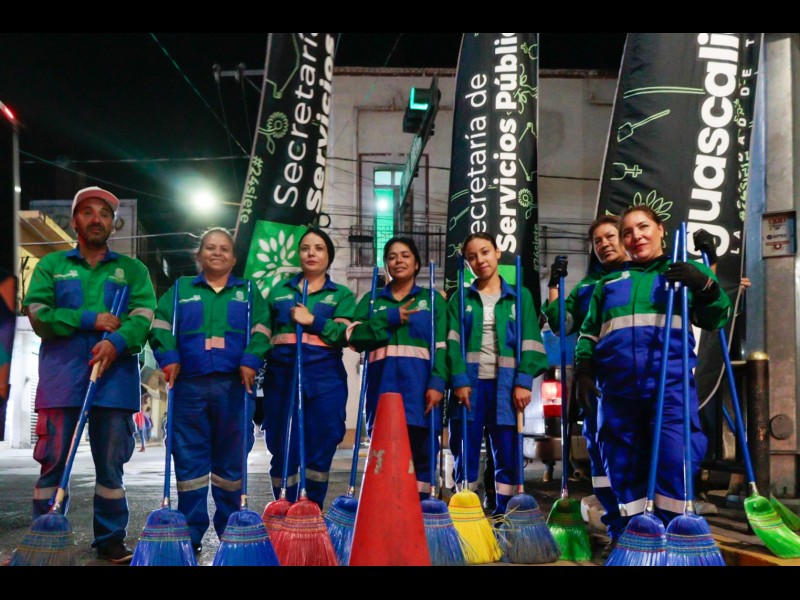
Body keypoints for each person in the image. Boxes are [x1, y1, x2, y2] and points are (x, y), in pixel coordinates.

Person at [574, 206, 731, 535]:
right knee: (623, 469)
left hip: (669, 389)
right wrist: (583, 369)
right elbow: (589, 334)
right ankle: (633, 540)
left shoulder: (682, 275)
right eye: (628, 232)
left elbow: (716, 318)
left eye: (643, 227)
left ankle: (674, 538)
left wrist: (704, 284)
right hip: (618, 393)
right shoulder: (608, 284)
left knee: (675, 463)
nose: (636, 236)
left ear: (661, 229)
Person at [22, 186, 156, 564]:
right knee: (53, 462)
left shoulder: (133, 271)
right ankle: (45, 536)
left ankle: (111, 538)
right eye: (88, 212)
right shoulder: (51, 266)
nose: (97, 219)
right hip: (61, 381)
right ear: (74, 221)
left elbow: (143, 317)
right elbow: (38, 314)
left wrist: (116, 342)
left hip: (114, 383)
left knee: (111, 466)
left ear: (114, 224)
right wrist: (89, 319)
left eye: (105, 214)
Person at [148, 227, 270, 554]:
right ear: (198, 255)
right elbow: (160, 326)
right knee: (189, 461)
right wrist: (169, 357)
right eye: (210, 247)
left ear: (234, 258)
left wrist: (251, 359)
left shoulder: (248, 292)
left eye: (224, 248)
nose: (217, 253)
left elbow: (262, 329)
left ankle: (231, 531)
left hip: (234, 385)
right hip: (188, 386)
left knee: (231, 461)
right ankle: (190, 532)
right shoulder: (180, 289)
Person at [447, 233, 549, 517]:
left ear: (497, 252)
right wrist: (459, 380)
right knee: (465, 452)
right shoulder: (460, 299)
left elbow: (530, 341)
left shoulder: (520, 297)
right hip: (468, 388)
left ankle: (506, 516)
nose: (480, 260)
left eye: (485, 252)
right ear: (466, 263)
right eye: (472, 257)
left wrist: (523, 381)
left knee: (507, 453)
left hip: (507, 389)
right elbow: (451, 344)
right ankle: (466, 516)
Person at [542, 215, 627, 550]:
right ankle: (617, 529)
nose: (604, 244)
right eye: (598, 241)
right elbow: (562, 324)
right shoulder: (587, 287)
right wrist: (554, 285)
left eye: (610, 236)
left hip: (632, 380)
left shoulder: (644, 276)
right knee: (601, 456)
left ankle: (642, 530)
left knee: (633, 456)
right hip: (594, 380)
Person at [261, 227, 356, 509]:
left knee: (320, 449)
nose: (311, 253)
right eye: (305, 248)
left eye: (318, 248)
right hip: (282, 379)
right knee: (282, 449)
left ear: (328, 256)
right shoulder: (279, 292)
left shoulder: (341, 295)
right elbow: (262, 334)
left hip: (325, 382)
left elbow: (343, 336)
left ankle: (310, 511)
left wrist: (311, 320)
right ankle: (283, 508)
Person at [348, 237, 447, 501]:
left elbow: (443, 347)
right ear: (385, 265)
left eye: (405, 255)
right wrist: (388, 317)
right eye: (392, 257)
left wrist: (438, 383)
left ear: (417, 264)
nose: (398, 261)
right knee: (384, 457)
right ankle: (387, 513)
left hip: (422, 394)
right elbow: (355, 338)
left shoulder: (433, 301)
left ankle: (421, 513)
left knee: (422, 456)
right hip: (382, 392)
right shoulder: (371, 301)